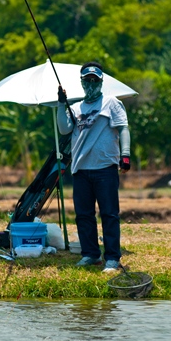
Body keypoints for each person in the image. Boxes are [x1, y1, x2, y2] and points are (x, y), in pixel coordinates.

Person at [57, 61, 131, 273]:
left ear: (101, 82)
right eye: (87, 80)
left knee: (109, 214)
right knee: (84, 215)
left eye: (94, 80)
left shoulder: (111, 103)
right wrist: (62, 104)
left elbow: (123, 128)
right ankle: (90, 254)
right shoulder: (75, 108)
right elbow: (64, 129)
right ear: (81, 82)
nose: (91, 84)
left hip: (105, 169)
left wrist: (125, 155)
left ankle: (112, 258)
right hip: (80, 169)